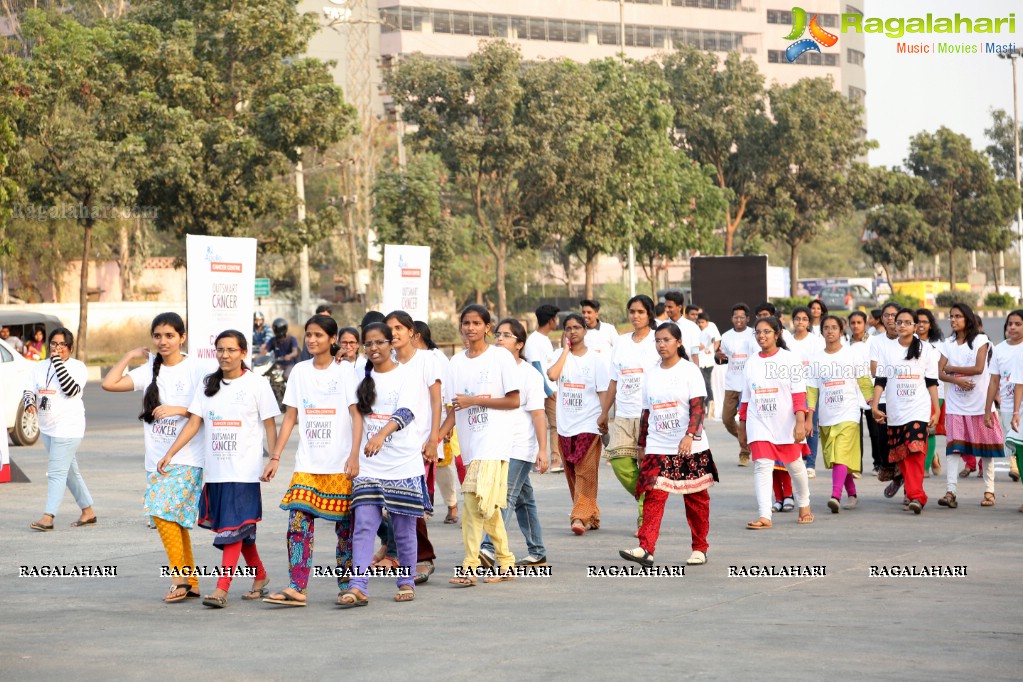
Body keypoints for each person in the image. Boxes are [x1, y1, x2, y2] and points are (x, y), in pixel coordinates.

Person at [157, 330, 281, 608]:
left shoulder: (257, 385)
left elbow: (271, 424)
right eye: (220, 350)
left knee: (232, 530)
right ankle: (260, 577)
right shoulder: (207, 385)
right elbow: (193, 423)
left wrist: (274, 458)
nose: (225, 355)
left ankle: (221, 589)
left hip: (245, 472)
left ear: (243, 353)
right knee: (241, 531)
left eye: (231, 350)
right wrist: (170, 453)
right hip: (216, 472)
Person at [101, 312, 211, 602]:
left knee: (160, 511)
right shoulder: (151, 368)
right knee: (173, 519)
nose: (163, 341)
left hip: (188, 457)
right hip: (156, 460)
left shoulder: (197, 368)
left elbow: (210, 407)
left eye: (170, 336)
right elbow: (110, 384)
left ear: (182, 338)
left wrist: (178, 408)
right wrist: (129, 355)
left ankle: (179, 580)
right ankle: (193, 581)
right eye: (158, 336)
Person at [261, 315, 363, 607]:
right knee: (297, 523)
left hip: (339, 466)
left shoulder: (345, 373)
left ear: (333, 339)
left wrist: (354, 455)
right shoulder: (299, 372)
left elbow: (357, 415)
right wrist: (276, 456)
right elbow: (290, 416)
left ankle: (347, 587)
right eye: (308, 334)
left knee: (345, 531)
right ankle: (297, 586)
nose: (312, 339)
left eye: (319, 335)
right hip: (307, 465)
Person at [341, 322, 427, 607]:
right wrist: (354, 455)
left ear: (391, 344)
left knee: (403, 529)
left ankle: (406, 581)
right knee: (364, 525)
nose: (374, 348)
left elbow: (406, 412)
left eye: (379, 342)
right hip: (369, 465)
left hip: (403, 464)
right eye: (369, 343)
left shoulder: (408, 375)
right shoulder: (358, 376)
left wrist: (381, 434)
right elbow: (356, 419)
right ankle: (358, 585)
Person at [620, 323, 718, 567]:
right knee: (653, 495)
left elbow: (698, 406)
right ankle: (646, 548)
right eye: (657, 340)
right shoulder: (651, 373)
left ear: (678, 342)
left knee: (696, 499)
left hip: (689, 445)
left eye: (666, 340)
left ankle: (699, 548)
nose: (661, 345)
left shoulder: (689, 371)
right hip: (657, 443)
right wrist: (642, 445)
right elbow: (646, 412)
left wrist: (689, 435)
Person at [441, 305, 520, 585]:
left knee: (473, 503)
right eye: (466, 323)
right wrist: (438, 436)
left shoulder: (500, 357)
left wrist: (475, 400)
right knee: (487, 506)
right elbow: (454, 407)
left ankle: (470, 566)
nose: (470, 328)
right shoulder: (455, 363)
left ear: (487, 327)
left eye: (476, 323)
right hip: (471, 446)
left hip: (495, 443)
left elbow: (513, 400)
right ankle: (507, 561)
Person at [479, 318, 550, 568]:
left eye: (506, 335)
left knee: (504, 496)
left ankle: (488, 548)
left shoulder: (529, 373)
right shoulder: (490, 369)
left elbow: (538, 413)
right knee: (523, 498)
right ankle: (537, 550)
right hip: (495, 444)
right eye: (497, 334)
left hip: (520, 445)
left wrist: (543, 449)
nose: (499, 339)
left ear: (519, 344)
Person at [738, 316, 814, 529]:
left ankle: (804, 504)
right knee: (762, 465)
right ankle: (764, 516)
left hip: (785, 422)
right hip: (758, 421)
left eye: (766, 332)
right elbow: (745, 398)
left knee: (795, 466)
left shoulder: (790, 359)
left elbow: (799, 394)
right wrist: (742, 426)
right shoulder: (751, 362)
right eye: (758, 332)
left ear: (777, 333)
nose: (761, 336)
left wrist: (800, 421)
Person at [385, 311, 440, 583]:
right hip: (390, 444)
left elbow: (436, 400)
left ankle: (423, 558)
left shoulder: (426, 360)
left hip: (419, 444)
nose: (393, 333)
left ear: (411, 332)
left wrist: (433, 439)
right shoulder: (386, 362)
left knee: (413, 506)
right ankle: (399, 554)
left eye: (398, 328)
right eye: (389, 329)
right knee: (387, 506)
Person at [25, 328, 97, 531]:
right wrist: (29, 402)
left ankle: (48, 517)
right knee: (70, 472)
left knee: (56, 472)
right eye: (53, 344)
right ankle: (88, 511)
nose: (56, 348)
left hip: (68, 427)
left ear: (70, 348)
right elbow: (29, 388)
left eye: (61, 345)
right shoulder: (39, 367)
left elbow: (71, 389)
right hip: (47, 427)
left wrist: (57, 362)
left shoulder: (78, 367)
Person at [598, 295, 658, 536]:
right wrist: (605, 412)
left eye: (641, 312)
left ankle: (646, 516)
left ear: (649, 314)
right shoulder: (621, 342)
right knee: (620, 462)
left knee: (646, 466)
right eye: (632, 311)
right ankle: (649, 501)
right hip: (623, 414)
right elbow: (614, 380)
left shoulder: (658, 339)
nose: (635, 316)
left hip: (650, 414)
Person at [872, 309, 940, 514]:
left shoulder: (926, 349)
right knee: (902, 455)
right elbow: (881, 380)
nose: (901, 325)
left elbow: (931, 382)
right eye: (899, 322)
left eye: (907, 322)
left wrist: (936, 410)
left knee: (915, 451)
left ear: (915, 326)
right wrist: (875, 406)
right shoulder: (888, 349)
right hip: (896, 410)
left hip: (918, 409)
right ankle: (913, 494)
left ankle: (917, 496)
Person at [548, 312, 610, 535]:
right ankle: (591, 514)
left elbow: (603, 392)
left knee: (586, 470)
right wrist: (565, 350)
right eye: (568, 328)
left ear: (585, 330)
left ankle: (579, 517)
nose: (572, 331)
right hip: (565, 425)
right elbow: (553, 375)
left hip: (589, 424)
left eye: (577, 327)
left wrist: (604, 419)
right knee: (572, 472)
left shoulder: (596, 359)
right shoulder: (560, 355)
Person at [938, 303, 1003, 509]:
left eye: (957, 316)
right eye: (951, 316)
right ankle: (951, 492)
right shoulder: (947, 343)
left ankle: (989, 491)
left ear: (967, 318)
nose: (953, 320)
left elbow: (978, 367)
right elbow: (939, 373)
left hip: (980, 404)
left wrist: (951, 369)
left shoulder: (981, 340)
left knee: (987, 451)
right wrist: (957, 380)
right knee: (953, 449)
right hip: (956, 405)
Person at [807, 315, 873, 513]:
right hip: (827, 416)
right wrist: (809, 418)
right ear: (822, 332)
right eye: (826, 328)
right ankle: (852, 493)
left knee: (840, 453)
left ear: (841, 330)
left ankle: (835, 496)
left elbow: (864, 383)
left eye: (834, 327)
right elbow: (811, 391)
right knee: (836, 458)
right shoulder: (816, 359)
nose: (830, 331)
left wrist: (873, 405)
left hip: (849, 414)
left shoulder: (852, 354)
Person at [985, 309, 1023, 483]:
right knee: (1016, 446)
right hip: (1008, 406)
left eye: (1018, 324)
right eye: (1010, 324)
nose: (1013, 327)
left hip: (1019, 408)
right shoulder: (999, 349)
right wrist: (987, 410)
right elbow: (993, 381)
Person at [788, 306, 825, 479]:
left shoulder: (816, 341)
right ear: (793, 321)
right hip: (791, 389)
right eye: (797, 319)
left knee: (811, 427)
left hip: (811, 389)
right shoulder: (787, 341)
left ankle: (810, 463)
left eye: (804, 319)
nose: (800, 322)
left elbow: (819, 366)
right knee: (792, 425)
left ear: (809, 322)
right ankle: (795, 459)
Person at [525, 304, 563, 472]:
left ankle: (555, 460)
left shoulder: (545, 339)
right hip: (539, 391)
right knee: (536, 425)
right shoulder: (533, 340)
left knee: (555, 425)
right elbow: (536, 367)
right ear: (550, 320)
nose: (558, 321)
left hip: (550, 388)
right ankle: (535, 461)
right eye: (556, 318)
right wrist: (548, 391)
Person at [717, 303, 755, 466]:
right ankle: (746, 440)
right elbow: (721, 358)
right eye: (735, 317)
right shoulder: (726, 336)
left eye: (742, 317)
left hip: (748, 385)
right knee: (727, 418)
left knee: (748, 420)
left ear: (747, 318)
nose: (738, 320)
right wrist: (718, 355)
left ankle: (744, 453)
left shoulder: (753, 334)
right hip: (732, 384)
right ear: (731, 319)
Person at [915, 308, 946, 477]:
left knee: (929, 431)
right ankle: (932, 456)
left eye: (925, 321)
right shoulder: (907, 342)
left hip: (936, 392)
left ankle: (924, 468)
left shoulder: (940, 345)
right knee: (917, 431)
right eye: (918, 321)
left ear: (931, 324)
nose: (921, 325)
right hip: (914, 393)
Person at [662, 291, 702, 362]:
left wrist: (696, 370)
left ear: (679, 307)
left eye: (670, 307)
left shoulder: (692, 327)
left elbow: (694, 352)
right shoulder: (662, 326)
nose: (666, 310)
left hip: (687, 367)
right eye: (665, 306)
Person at [696, 312, 721, 415]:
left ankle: (710, 404)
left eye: (702, 322)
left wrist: (707, 347)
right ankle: (708, 405)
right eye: (699, 322)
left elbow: (712, 339)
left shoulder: (707, 331)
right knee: (704, 383)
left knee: (706, 383)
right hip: (702, 361)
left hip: (706, 362)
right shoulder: (701, 331)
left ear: (707, 322)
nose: (700, 324)